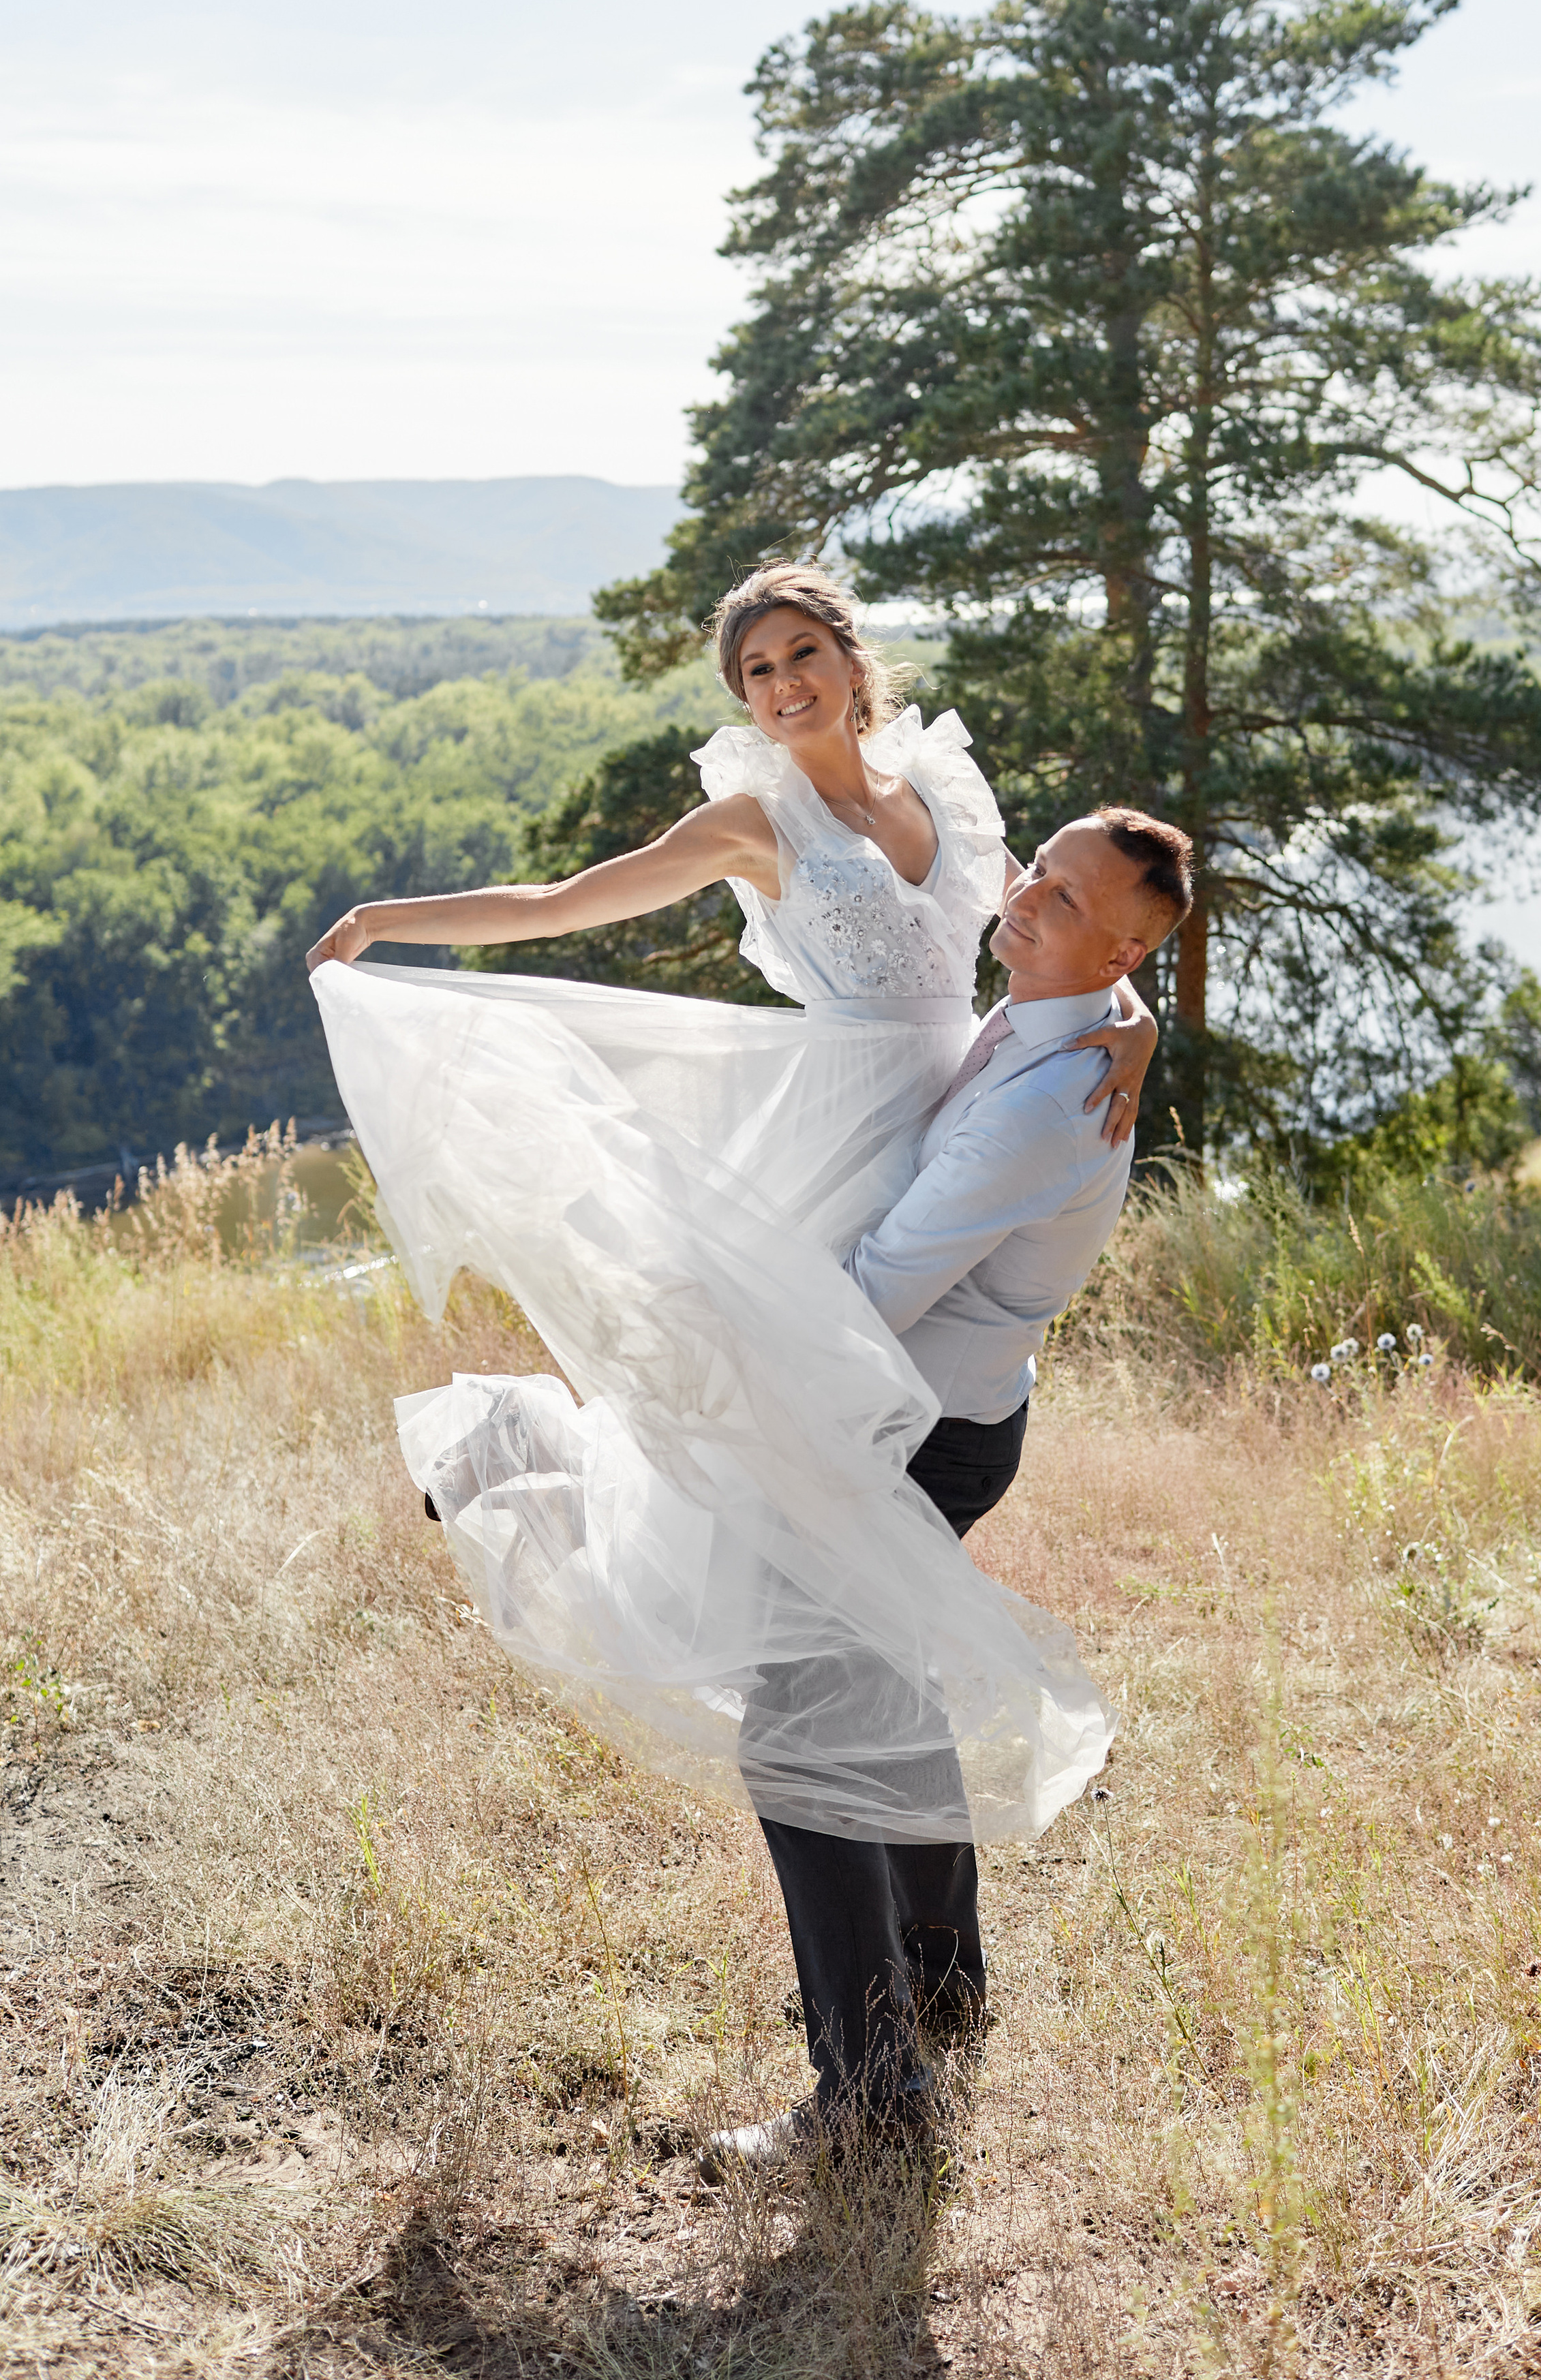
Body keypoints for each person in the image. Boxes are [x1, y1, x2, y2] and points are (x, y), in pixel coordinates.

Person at [302, 561, 1163, 1859]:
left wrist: (1134, 1021)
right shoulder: (756, 822)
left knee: (811, 1513)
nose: (783, 684)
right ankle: (513, 1455)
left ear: (852, 660)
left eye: (802, 653)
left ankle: (867, 1815)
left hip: (949, 1130)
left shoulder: (943, 789)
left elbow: (1060, 932)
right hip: (839, 1141)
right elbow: (561, 904)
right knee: (751, 1445)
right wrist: (383, 921)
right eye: (757, 671)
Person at [702, 805, 1193, 2178]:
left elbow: (873, 1294)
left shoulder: (1045, 1106)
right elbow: (1106, 962)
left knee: (800, 1731)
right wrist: (1135, 1010)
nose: (1023, 895)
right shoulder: (1071, 1011)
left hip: (920, 1434)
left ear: (1120, 948)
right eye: (1038, 867)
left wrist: (710, 1314)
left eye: (1063, 896)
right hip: (941, 1419)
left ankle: (869, 2093)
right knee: (882, 1688)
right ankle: (942, 1978)